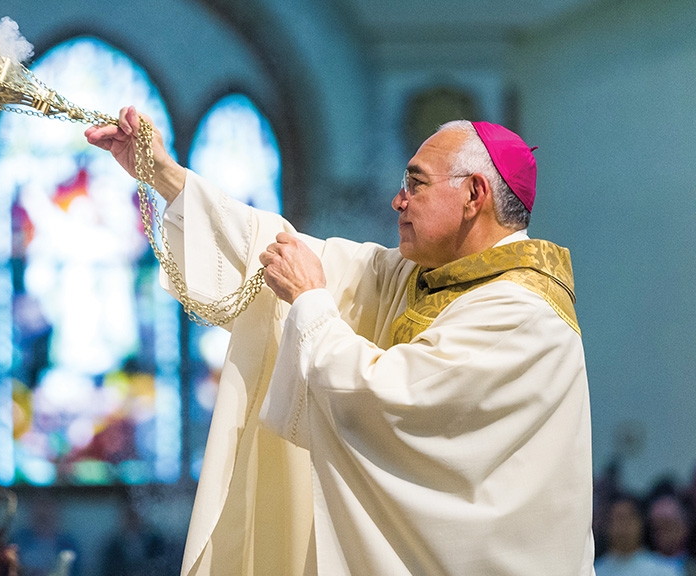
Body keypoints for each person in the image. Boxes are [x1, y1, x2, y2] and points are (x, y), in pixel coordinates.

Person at [86, 107, 594, 575]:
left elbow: (385, 402)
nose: (399, 200)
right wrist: (164, 174)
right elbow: (280, 248)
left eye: (415, 183)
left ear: (473, 195)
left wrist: (309, 301)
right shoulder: (423, 276)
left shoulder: (522, 315)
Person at [596, 493, 679, 576]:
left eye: (628, 518)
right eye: (618, 519)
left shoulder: (664, 570)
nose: (623, 525)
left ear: (640, 523)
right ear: (606, 525)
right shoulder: (594, 571)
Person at [648, 494, 696, 576]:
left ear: (684, 526)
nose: (661, 533)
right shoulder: (638, 567)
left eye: (667, 525)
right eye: (656, 527)